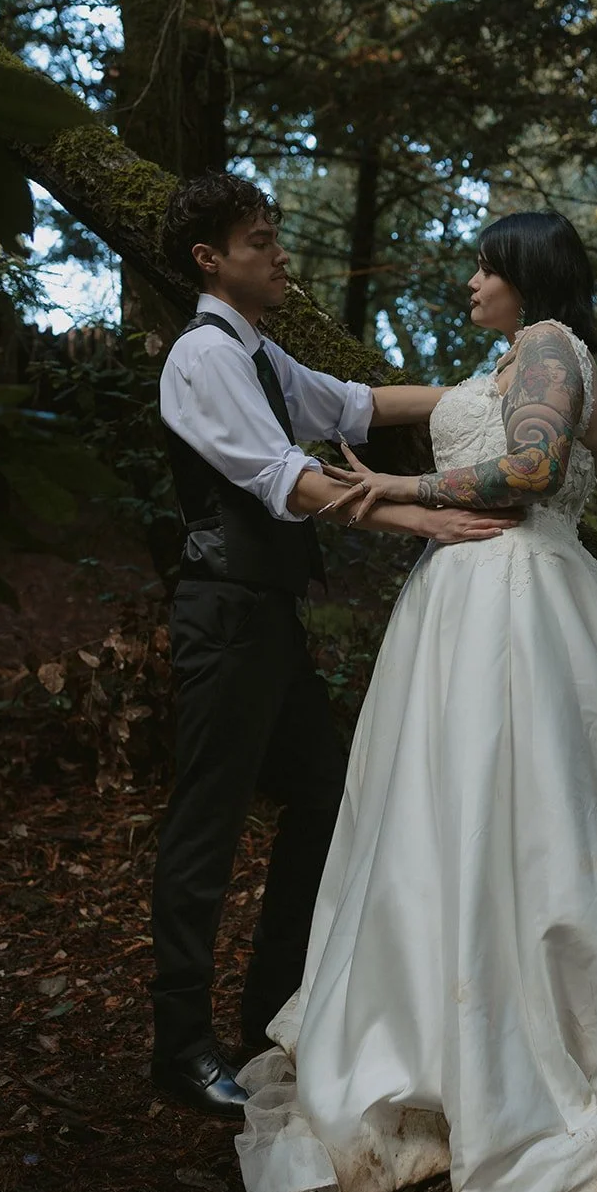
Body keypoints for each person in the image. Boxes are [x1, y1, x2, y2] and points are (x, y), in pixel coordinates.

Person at [236, 210, 597, 1192]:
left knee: (530, 802)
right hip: (464, 605)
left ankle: (537, 1034)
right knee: (444, 814)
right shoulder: (503, 359)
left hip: (516, 596)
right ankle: (439, 1022)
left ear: (526, 275)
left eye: (483, 266)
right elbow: (365, 400)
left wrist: (400, 486)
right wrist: (232, 334)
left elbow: (529, 469)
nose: (468, 281)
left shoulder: (553, 348)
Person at [152, 172, 519, 1119]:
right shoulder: (204, 357)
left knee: (321, 792)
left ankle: (271, 1008)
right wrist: (418, 521)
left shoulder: (262, 355)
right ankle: (180, 1046)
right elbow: (288, 479)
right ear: (211, 260)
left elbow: (357, 406)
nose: (280, 256)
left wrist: (493, 390)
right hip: (222, 614)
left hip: (265, 615)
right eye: (260, 240)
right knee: (210, 821)